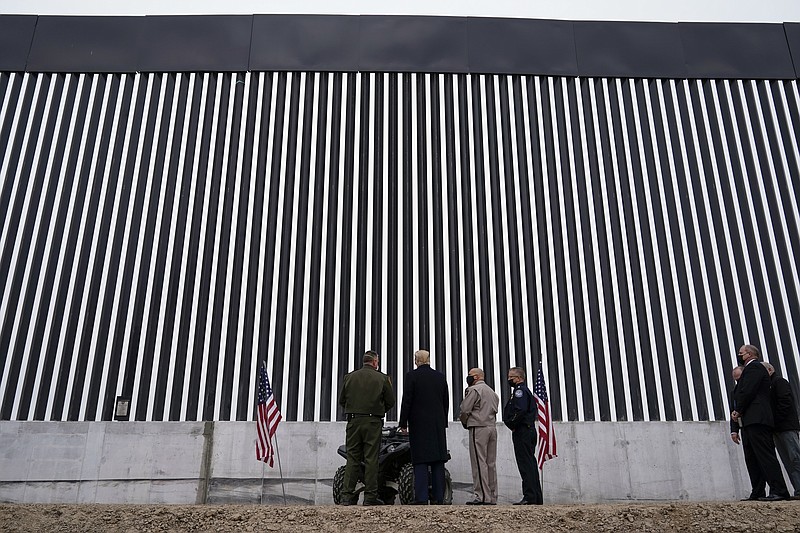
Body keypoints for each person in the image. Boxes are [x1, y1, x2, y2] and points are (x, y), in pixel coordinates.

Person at [731, 345, 790, 501]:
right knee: (752, 458)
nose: (739, 355)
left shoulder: (755, 368)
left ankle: (779, 490)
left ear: (749, 354)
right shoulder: (749, 371)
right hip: (749, 422)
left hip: (758, 419)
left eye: (741, 353)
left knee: (765, 455)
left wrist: (739, 410)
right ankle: (758, 491)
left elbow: (748, 391)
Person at [338, 350, 396, 505]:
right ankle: (370, 497)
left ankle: (346, 496)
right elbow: (391, 401)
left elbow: (342, 400)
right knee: (371, 459)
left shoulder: (349, 377)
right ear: (375, 362)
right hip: (372, 423)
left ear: (364, 361)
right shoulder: (382, 378)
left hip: (353, 422)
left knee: (353, 458)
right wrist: (378, 410)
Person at [398, 349, 450, 504]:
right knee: (438, 461)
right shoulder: (440, 377)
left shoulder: (411, 376)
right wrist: (443, 422)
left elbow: (407, 401)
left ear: (416, 360)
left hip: (419, 424)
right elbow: (445, 402)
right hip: (437, 425)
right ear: (429, 360)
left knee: (420, 460)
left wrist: (403, 423)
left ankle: (421, 497)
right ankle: (439, 497)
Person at [502, 366, 543, 505]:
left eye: (511, 377)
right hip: (528, 430)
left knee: (526, 465)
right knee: (530, 464)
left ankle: (530, 497)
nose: (509, 380)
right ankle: (536, 497)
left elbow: (519, 411)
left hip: (523, 431)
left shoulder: (520, 391)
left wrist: (512, 424)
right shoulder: (524, 391)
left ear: (518, 378)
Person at [459, 367, 499, 505]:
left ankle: (481, 496)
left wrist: (465, 422)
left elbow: (465, 409)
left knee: (479, 461)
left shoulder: (474, 390)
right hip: (492, 427)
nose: (468, 377)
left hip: (478, 427)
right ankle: (492, 496)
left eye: (470, 375)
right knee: (491, 463)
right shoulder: (492, 392)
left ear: (476, 377)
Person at [762, 361, 800, 499]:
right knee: (787, 460)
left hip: (786, 427)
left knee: (795, 457)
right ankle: (797, 489)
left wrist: (775, 420)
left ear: (770, 370)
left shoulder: (779, 382)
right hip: (777, 428)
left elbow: (785, 403)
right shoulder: (768, 386)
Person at [730, 365, 766, 500]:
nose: (738, 382)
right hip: (744, 427)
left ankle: (774, 489)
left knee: (761, 458)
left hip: (756, 424)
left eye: (740, 379)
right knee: (750, 460)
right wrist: (734, 430)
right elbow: (733, 410)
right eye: (736, 380)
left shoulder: (753, 390)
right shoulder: (735, 392)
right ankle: (757, 491)